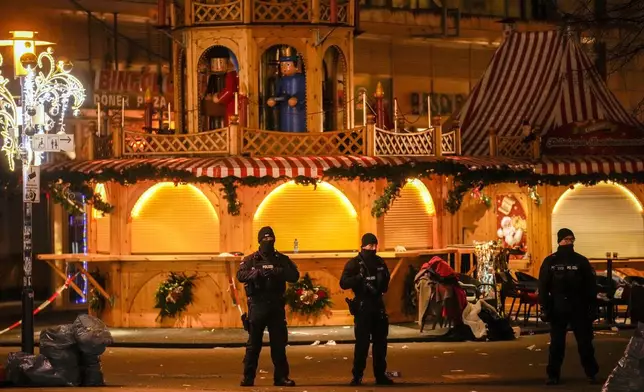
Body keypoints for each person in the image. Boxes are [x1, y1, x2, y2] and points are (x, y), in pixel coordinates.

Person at [237, 226, 299, 387]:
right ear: (259, 241)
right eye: (265, 239)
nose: (268, 242)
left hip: (276, 306)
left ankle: (281, 377)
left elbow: (294, 276)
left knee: (279, 344)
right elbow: (240, 275)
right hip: (258, 305)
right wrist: (256, 273)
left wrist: (278, 272)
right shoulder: (251, 259)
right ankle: (248, 377)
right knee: (253, 345)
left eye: (270, 239)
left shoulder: (281, 259)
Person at [538, 228, 599, 385]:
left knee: (585, 343)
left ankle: (591, 373)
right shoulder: (551, 261)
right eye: (566, 240)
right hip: (559, 307)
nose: (569, 243)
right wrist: (545, 307)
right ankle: (553, 375)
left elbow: (591, 287)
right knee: (557, 344)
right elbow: (543, 287)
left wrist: (592, 307)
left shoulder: (580, 261)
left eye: (571, 240)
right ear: (559, 241)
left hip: (578, 307)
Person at [340, 233, 394, 386]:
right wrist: (358, 278)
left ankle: (380, 375)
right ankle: (357, 376)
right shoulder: (354, 263)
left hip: (378, 306)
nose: (373, 248)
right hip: (363, 307)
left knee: (380, 344)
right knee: (362, 345)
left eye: (375, 246)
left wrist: (381, 281)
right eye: (370, 246)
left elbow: (385, 283)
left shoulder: (379, 262)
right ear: (363, 246)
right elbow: (343, 283)